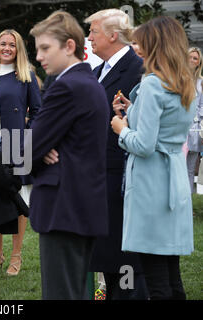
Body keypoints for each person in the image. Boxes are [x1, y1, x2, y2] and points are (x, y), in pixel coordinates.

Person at [110, 16, 195, 300]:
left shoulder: (153, 85)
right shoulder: (185, 83)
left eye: (140, 42)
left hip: (150, 184)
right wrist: (133, 109)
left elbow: (144, 144)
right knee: (171, 274)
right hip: (174, 179)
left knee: (156, 276)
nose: (136, 48)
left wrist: (121, 129)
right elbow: (164, 128)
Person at [28, 10, 109, 300]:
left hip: (64, 208)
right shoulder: (89, 84)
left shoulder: (67, 87)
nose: (38, 57)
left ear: (70, 46)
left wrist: (35, 149)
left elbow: (25, 149)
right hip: (80, 207)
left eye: (45, 48)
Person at [84, 8, 148, 300]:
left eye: (94, 31)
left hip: (122, 173)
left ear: (112, 35)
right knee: (106, 248)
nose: (89, 37)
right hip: (98, 174)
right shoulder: (99, 70)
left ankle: (128, 295)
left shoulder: (138, 70)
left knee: (125, 252)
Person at [0, 29, 41, 277]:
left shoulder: (25, 77)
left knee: (19, 202)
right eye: (3, 43)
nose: (7, 48)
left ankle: (16, 256)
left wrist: (26, 136)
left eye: (12, 45)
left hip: (17, 147)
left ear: (18, 49)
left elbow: (38, 112)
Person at [186, 47, 203, 194]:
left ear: (199, 63)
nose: (192, 60)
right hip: (178, 127)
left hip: (194, 129)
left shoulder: (201, 82)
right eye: (190, 57)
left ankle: (188, 205)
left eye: (195, 58)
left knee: (190, 169)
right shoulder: (177, 79)